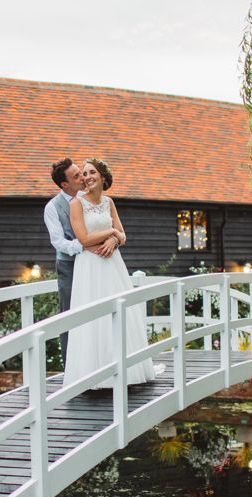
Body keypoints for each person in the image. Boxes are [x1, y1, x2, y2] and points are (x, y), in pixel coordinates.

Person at [63, 158, 161, 388]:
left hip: (112, 263)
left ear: (102, 176)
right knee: (94, 315)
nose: (87, 177)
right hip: (90, 265)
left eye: (91, 172)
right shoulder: (76, 204)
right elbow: (84, 238)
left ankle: (126, 369)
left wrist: (115, 240)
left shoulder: (109, 202)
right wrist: (111, 232)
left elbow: (123, 234)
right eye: (84, 174)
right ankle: (93, 374)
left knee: (120, 312)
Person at [44, 158, 118, 364]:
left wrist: (112, 239)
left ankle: (103, 361)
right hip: (69, 265)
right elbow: (58, 242)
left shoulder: (93, 198)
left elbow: (109, 227)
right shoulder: (52, 208)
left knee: (101, 310)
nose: (83, 178)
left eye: (82, 172)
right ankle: (73, 368)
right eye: (77, 176)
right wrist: (85, 246)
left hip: (98, 263)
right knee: (70, 314)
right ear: (65, 185)